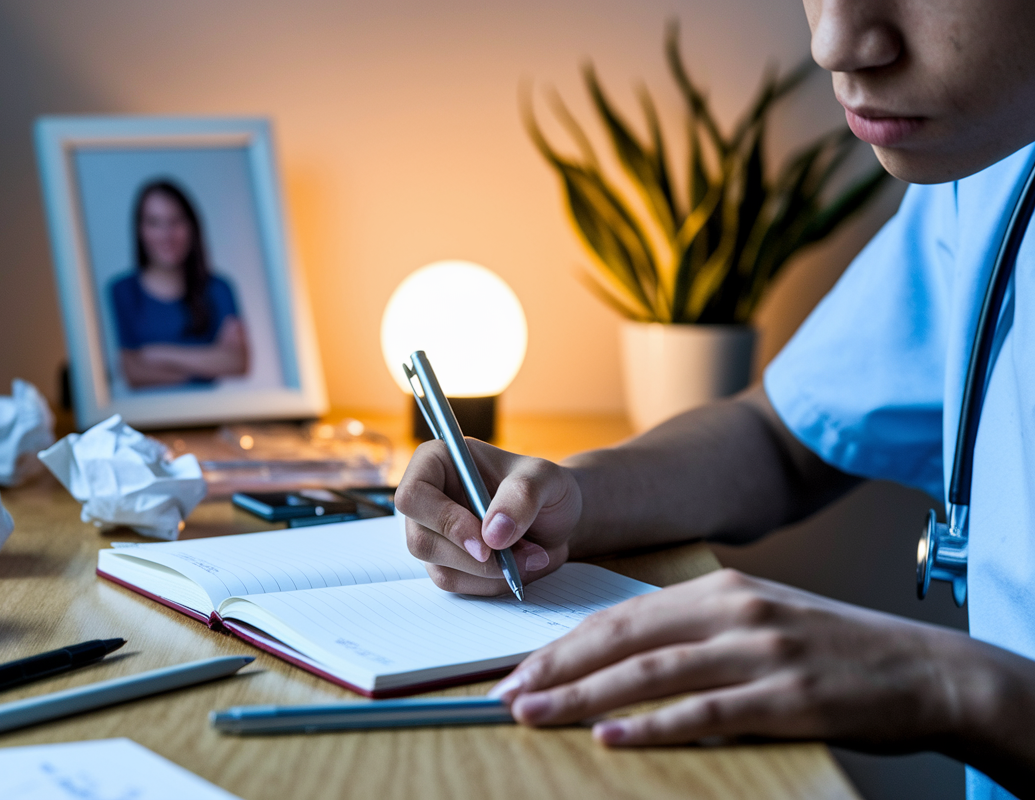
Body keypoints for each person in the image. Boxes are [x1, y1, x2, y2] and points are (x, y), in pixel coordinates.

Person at [394, 1, 1035, 797]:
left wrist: (951, 688)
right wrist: (571, 495)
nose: (835, 42)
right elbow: (783, 435)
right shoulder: (996, 173)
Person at [110, 179, 249, 389]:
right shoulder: (121, 291)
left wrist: (156, 354)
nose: (167, 235)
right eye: (155, 223)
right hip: (144, 417)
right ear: (140, 230)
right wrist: (209, 362)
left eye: (175, 221)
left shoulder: (218, 288)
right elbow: (131, 371)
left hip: (210, 411)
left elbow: (237, 362)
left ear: (192, 226)